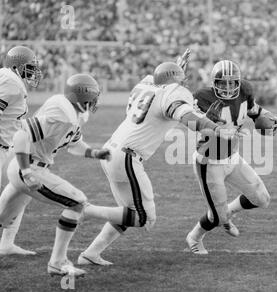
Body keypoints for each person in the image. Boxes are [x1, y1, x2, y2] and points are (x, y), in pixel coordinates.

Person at [77, 54, 236, 266]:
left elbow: (162, 83)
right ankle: (86, 210)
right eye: (181, 78)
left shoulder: (145, 84)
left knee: (127, 212)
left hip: (111, 150)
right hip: (127, 155)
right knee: (144, 218)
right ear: (175, 81)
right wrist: (216, 128)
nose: (184, 82)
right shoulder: (174, 93)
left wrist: (175, 70)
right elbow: (187, 118)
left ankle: (90, 253)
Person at [0, 74, 143, 277]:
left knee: (2, 217)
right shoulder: (62, 111)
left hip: (30, 167)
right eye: (92, 97)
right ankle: (57, 262)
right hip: (29, 168)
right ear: (82, 96)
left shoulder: (74, 113)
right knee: (76, 202)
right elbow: (22, 134)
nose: (94, 102)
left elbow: (74, 143)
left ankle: (27, 253)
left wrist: (94, 153)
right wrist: (27, 172)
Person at [185, 60, 277, 254]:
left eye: (232, 82)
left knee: (262, 198)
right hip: (209, 162)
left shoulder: (245, 90)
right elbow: (190, 121)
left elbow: (255, 111)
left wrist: (272, 118)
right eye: (222, 83)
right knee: (216, 218)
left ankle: (226, 213)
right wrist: (215, 127)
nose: (228, 87)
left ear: (239, 82)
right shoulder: (202, 97)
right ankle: (194, 237)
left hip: (233, 157)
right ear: (214, 82)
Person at [0, 45, 42, 256]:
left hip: (7, 148)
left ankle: (7, 244)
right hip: (1, 148)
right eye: (29, 67)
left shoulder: (8, 77)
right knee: (21, 190)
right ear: (16, 66)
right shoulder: (11, 82)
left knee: (23, 190)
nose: (33, 72)